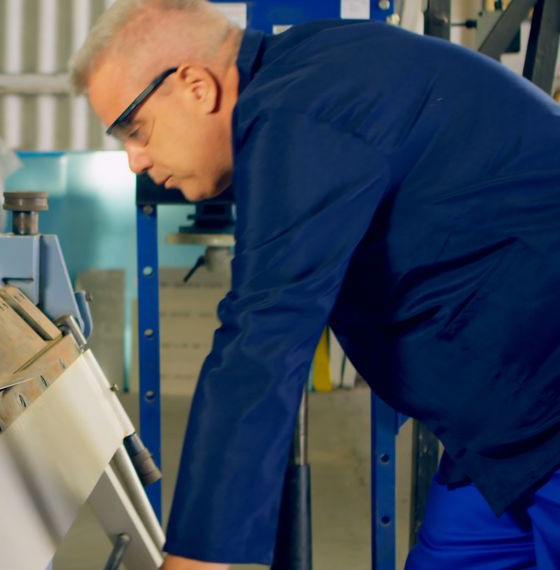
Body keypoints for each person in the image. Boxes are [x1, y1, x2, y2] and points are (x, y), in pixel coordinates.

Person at [70, 1, 560, 568]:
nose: (135, 160)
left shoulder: (303, 112)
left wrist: (195, 559)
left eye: (136, 128)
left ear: (196, 87)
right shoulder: (304, 83)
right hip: (504, 433)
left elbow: (262, 338)